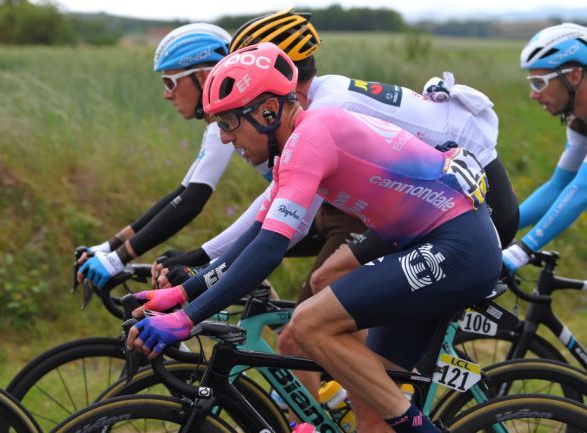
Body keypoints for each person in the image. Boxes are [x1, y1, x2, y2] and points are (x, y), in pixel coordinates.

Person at [127, 42, 502, 433]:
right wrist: (183, 294)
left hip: (457, 247)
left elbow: (270, 251)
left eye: (227, 123)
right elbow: (258, 234)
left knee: (309, 324)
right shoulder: (297, 144)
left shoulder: (312, 137)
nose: (224, 138)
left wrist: (187, 320)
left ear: (268, 112)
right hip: (431, 244)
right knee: (372, 409)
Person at [76, 23, 297, 287]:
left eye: (170, 82)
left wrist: (118, 258)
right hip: (301, 210)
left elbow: (194, 199)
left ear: (203, 77)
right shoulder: (221, 127)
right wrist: (109, 247)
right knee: (240, 272)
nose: (167, 95)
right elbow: (182, 193)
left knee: (311, 300)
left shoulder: (232, 122)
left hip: (322, 212)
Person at [502, 23, 587, 274]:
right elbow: (558, 185)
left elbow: (582, 189)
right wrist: (497, 230)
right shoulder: (579, 121)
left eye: (539, 83)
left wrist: (521, 251)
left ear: (573, 76)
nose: (533, 94)